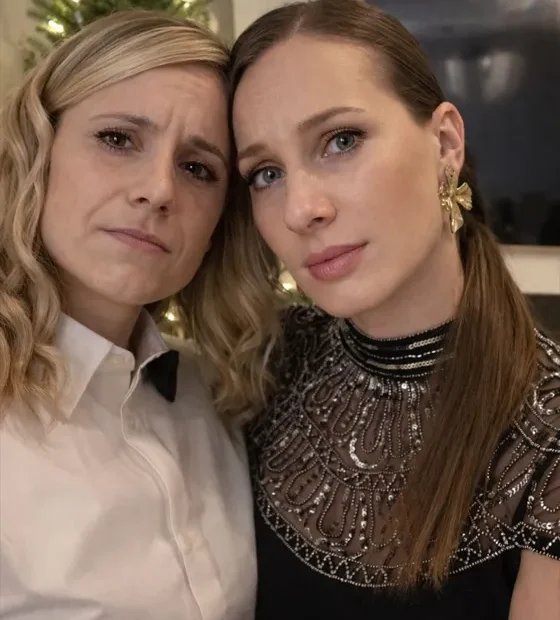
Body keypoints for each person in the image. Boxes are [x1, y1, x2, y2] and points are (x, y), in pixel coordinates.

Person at [228, 1, 560, 618]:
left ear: (445, 143)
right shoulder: (263, 365)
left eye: (341, 140)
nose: (300, 209)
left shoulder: (548, 437)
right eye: (266, 173)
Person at [0, 11, 276, 620]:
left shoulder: (216, 397)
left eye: (198, 168)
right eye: (118, 139)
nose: (159, 190)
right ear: (40, 148)